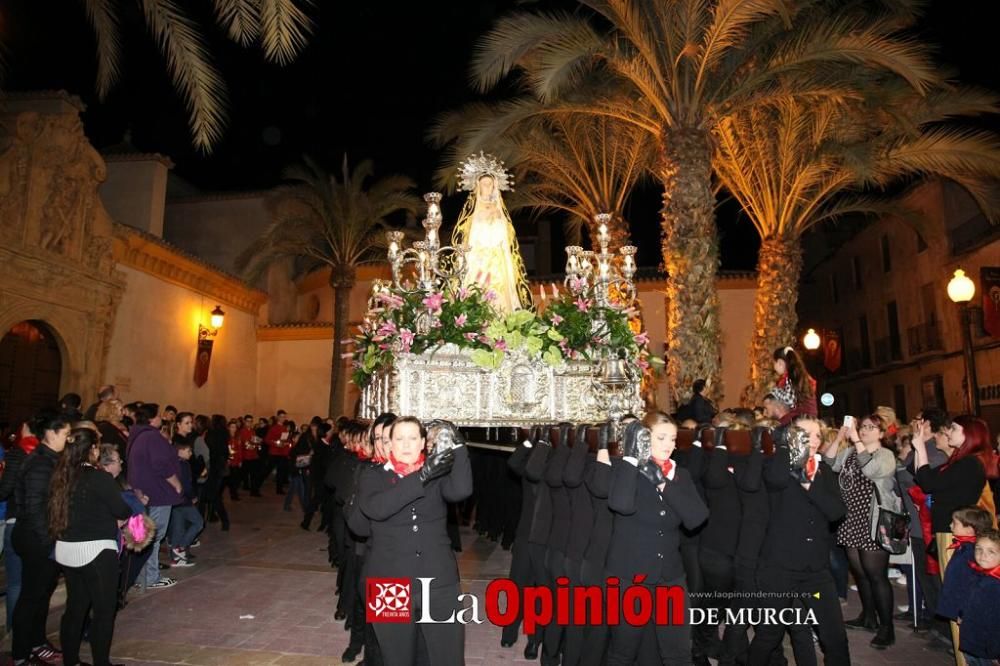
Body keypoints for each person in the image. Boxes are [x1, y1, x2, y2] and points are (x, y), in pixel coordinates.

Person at [359, 416, 472, 665]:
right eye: (399, 439)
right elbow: (377, 508)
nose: (406, 444)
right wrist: (423, 475)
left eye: (413, 438)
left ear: (423, 443)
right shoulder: (373, 475)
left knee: (448, 657)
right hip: (389, 582)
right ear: (388, 445)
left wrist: (458, 444)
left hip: (438, 578)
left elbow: (461, 491)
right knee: (397, 658)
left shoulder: (437, 474)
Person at [605, 414, 709, 666]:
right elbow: (620, 504)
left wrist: (662, 483)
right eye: (660, 438)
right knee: (623, 653)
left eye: (673, 439)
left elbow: (697, 517)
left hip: (671, 578)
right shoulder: (625, 469)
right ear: (643, 439)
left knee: (679, 654)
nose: (668, 445)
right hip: (631, 578)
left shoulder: (679, 474)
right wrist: (631, 457)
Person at [748, 415, 850, 666]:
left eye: (816, 435)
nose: (813, 440)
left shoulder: (824, 470)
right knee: (769, 635)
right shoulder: (777, 464)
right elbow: (776, 480)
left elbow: (836, 511)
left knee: (835, 636)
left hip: (816, 569)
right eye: (805, 435)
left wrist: (808, 483)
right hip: (779, 567)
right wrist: (787, 449)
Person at [50, 424, 132, 666]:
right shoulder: (98, 478)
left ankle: (71, 661)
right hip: (95, 550)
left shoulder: (61, 475)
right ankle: (101, 663)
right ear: (93, 450)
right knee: (104, 611)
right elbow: (121, 509)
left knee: (75, 608)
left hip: (66, 549)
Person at [823, 413, 901, 648]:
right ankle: (868, 617)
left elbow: (871, 471)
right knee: (860, 573)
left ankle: (887, 628)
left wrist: (857, 440)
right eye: (862, 426)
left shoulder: (885, 455)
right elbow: (829, 461)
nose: (865, 430)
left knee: (877, 576)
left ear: (881, 433)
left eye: (870, 427)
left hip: (874, 521)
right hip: (851, 519)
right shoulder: (850, 453)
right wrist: (840, 437)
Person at [11, 412, 69, 666]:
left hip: (44, 536)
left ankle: (37, 643)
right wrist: (49, 544)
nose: (68, 439)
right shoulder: (39, 464)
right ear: (52, 433)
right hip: (35, 538)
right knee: (31, 597)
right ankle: (22, 653)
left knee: (41, 595)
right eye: (66, 434)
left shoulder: (50, 460)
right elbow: (35, 509)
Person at [452, 152, 531, 314]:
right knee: (477, 289)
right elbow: (469, 236)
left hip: (497, 259)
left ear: (494, 186)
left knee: (501, 295)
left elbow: (505, 235)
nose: (487, 187)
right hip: (478, 259)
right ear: (478, 186)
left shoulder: (499, 210)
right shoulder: (473, 212)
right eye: (484, 184)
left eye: (489, 184)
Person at [126, 403, 182, 590]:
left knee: (141, 536)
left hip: (141, 492)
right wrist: (176, 483)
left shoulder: (136, 434)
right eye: (158, 416)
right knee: (154, 535)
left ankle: (138, 576)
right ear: (151, 419)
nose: (161, 418)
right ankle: (150, 577)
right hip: (158, 493)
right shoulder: (152, 436)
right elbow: (161, 464)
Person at [950, 528, 1000, 666]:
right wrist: (962, 613)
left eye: (991, 552)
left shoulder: (996, 584)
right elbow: (969, 600)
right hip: (971, 643)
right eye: (979, 549)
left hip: (988, 650)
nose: (982, 555)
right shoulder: (978, 575)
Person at [168, 438, 203, 567]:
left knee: (178, 527)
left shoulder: (173, 463)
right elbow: (186, 484)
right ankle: (181, 547)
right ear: (180, 451)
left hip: (174, 500)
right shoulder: (182, 465)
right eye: (188, 450)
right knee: (198, 522)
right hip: (183, 500)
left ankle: (176, 558)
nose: (191, 453)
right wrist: (193, 496)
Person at [771, 346, 817, 418]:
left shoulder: (791, 377)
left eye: (773, 363)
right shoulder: (798, 375)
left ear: (780, 363)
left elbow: (790, 401)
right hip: (807, 414)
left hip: (803, 416)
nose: (773, 367)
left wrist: (774, 391)